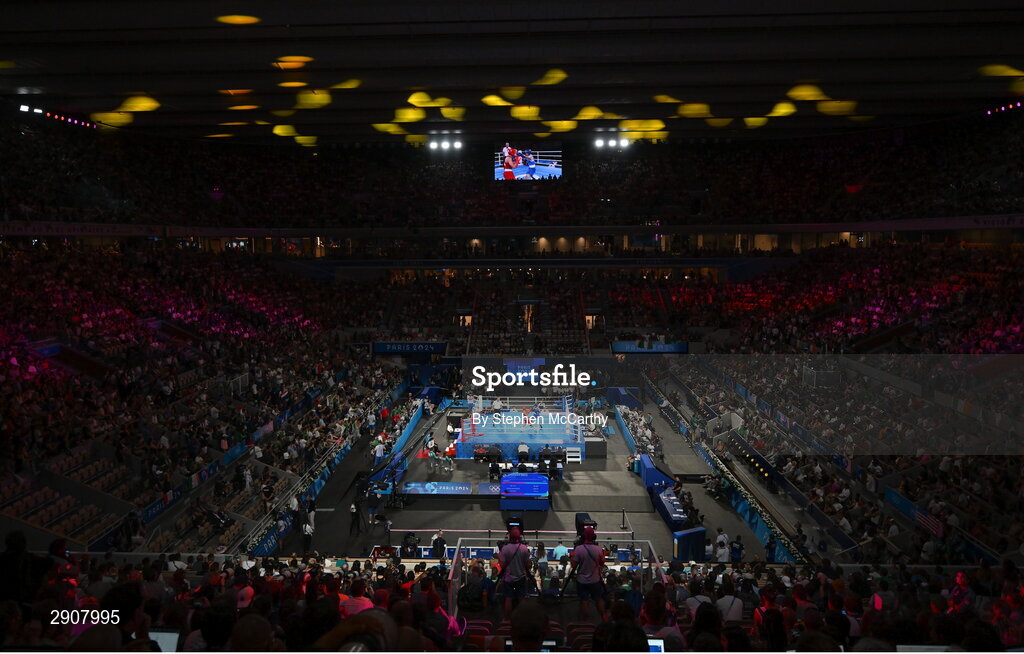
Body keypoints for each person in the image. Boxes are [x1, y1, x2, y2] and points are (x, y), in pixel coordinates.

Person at [570, 525, 606, 621]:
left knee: (584, 600)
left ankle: (585, 621)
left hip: (582, 580)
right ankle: (604, 617)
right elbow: (602, 563)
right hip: (595, 579)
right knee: (598, 598)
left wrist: (572, 556)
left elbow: (573, 565)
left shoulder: (579, 549)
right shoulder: (599, 549)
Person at [498, 527, 531, 615]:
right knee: (521, 598)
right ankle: (521, 617)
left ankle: (507, 619)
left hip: (509, 577)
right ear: (519, 537)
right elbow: (527, 564)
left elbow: (502, 565)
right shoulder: (524, 548)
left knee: (508, 598)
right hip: (521, 577)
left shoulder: (505, 549)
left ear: (509, 537)